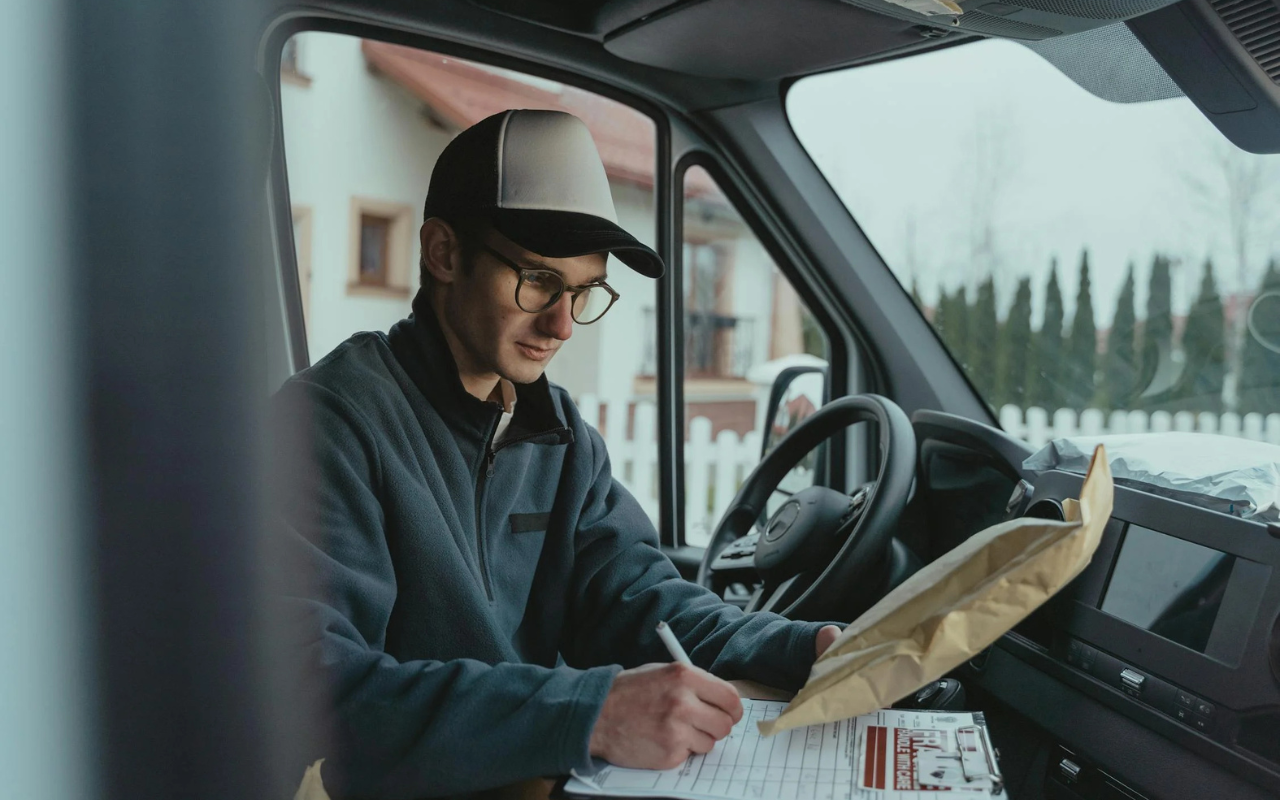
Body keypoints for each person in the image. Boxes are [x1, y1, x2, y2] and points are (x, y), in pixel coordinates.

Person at [273, 109, 841, 799]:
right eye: (539, 281)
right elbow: (316, 687)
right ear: (444, 253)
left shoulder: (559, 434)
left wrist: (798, 648)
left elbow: (641, 597)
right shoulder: (330, 423)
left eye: (584, 292)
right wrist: (587, 712)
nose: (562, 325)